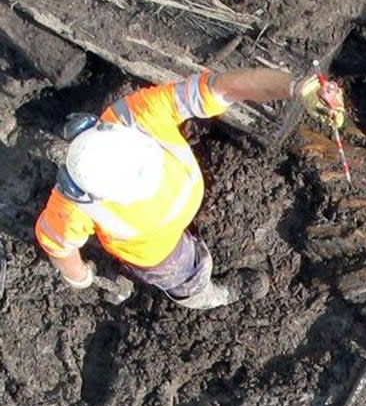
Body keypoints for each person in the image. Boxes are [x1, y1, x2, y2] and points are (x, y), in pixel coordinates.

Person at [35, 67, 346, 309]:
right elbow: (58, 245)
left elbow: (224, 86)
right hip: (159, 254)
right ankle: (212, 294)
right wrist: (79, 277)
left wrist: (297, 87)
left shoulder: (137, 115)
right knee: (188, 277)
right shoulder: (74, 206)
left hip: (183, 208)